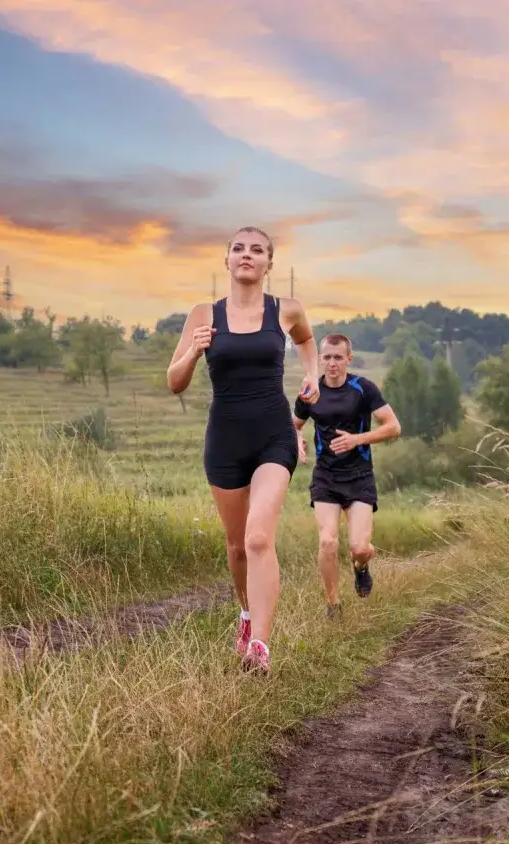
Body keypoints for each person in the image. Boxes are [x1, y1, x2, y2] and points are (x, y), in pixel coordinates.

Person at [167, 226, 320, 675]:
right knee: (237, 548)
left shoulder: (286, 310)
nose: (246, 255)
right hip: (225, 441)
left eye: (256, 250)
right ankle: (247, 614)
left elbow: (306, 340)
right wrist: (194, 353)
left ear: (269, 263)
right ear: (227, 260)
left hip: (274, 434)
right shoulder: (203, 314)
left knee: (257, 538)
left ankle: (260, 647)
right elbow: (174, 382)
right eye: (238, 249)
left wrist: (311, 374)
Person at [292, 333, 400, 617]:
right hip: (325, 476)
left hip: (359, 476)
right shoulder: (311, 391)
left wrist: (357, 439)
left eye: (338, 357)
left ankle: (361, 567)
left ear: (348, 359)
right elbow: (295, 424)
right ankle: (333, 605)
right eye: (327, 357)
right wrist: (297, 439)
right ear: (320, 359)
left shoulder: (363, 388)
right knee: (327, 541)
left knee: (360, 548)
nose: (332, 363)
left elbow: (393, 426)